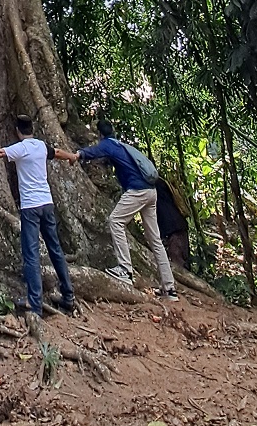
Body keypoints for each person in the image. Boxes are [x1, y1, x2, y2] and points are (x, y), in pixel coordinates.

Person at [0, 115, 76, 318]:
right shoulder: (41, 146)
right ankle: (68, 296)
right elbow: (58, 152)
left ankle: (34, 303)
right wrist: (72, 157)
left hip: (30, 208)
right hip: (47, 204)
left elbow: (0, 152)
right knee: (55, 249)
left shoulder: (21, 148)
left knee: (31, 254)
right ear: (32, 129)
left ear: (17, 130)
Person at [72, 120, 178, 301]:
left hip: (138, 191)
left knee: (115, 221)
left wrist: (78, 154)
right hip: (151, 192)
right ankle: (169, 289)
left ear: (100, 134)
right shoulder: (121, 145)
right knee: (155, 240)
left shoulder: (108, 144)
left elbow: (93, 151)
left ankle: (125, 270)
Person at [155, 176, 192, 270]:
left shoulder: (153, 186)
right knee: (181, 259)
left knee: (178, 261)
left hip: (173, 229)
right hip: (178, 226)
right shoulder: (161, 183)